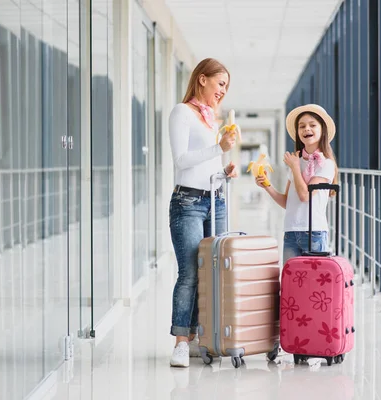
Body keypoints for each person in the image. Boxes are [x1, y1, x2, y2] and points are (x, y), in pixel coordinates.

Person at [168, 58, 239, 368]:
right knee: (190, 273)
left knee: (212, 272)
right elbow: (182, 160)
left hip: (215, 199)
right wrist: (219, 147)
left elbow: (206, 165)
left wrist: (224, 171)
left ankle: (201, 337)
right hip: (188, 203)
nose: (222, 91)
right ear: (202, 80)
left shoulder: (210, 119)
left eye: (226, 86)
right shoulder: (181, 112)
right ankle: (181, 343)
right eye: (220, 83)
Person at [255, 104, 338, 266]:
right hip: (291, 233)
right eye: (302, 126)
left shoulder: (326, 164)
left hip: (314, 233)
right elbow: (287, 202)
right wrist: (267, 186)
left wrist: (294, 168)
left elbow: (305, 195)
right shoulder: (296, 161)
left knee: (314, 287)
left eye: (312, 125)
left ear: (323, 130)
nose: (306, 129)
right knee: (291, 284)